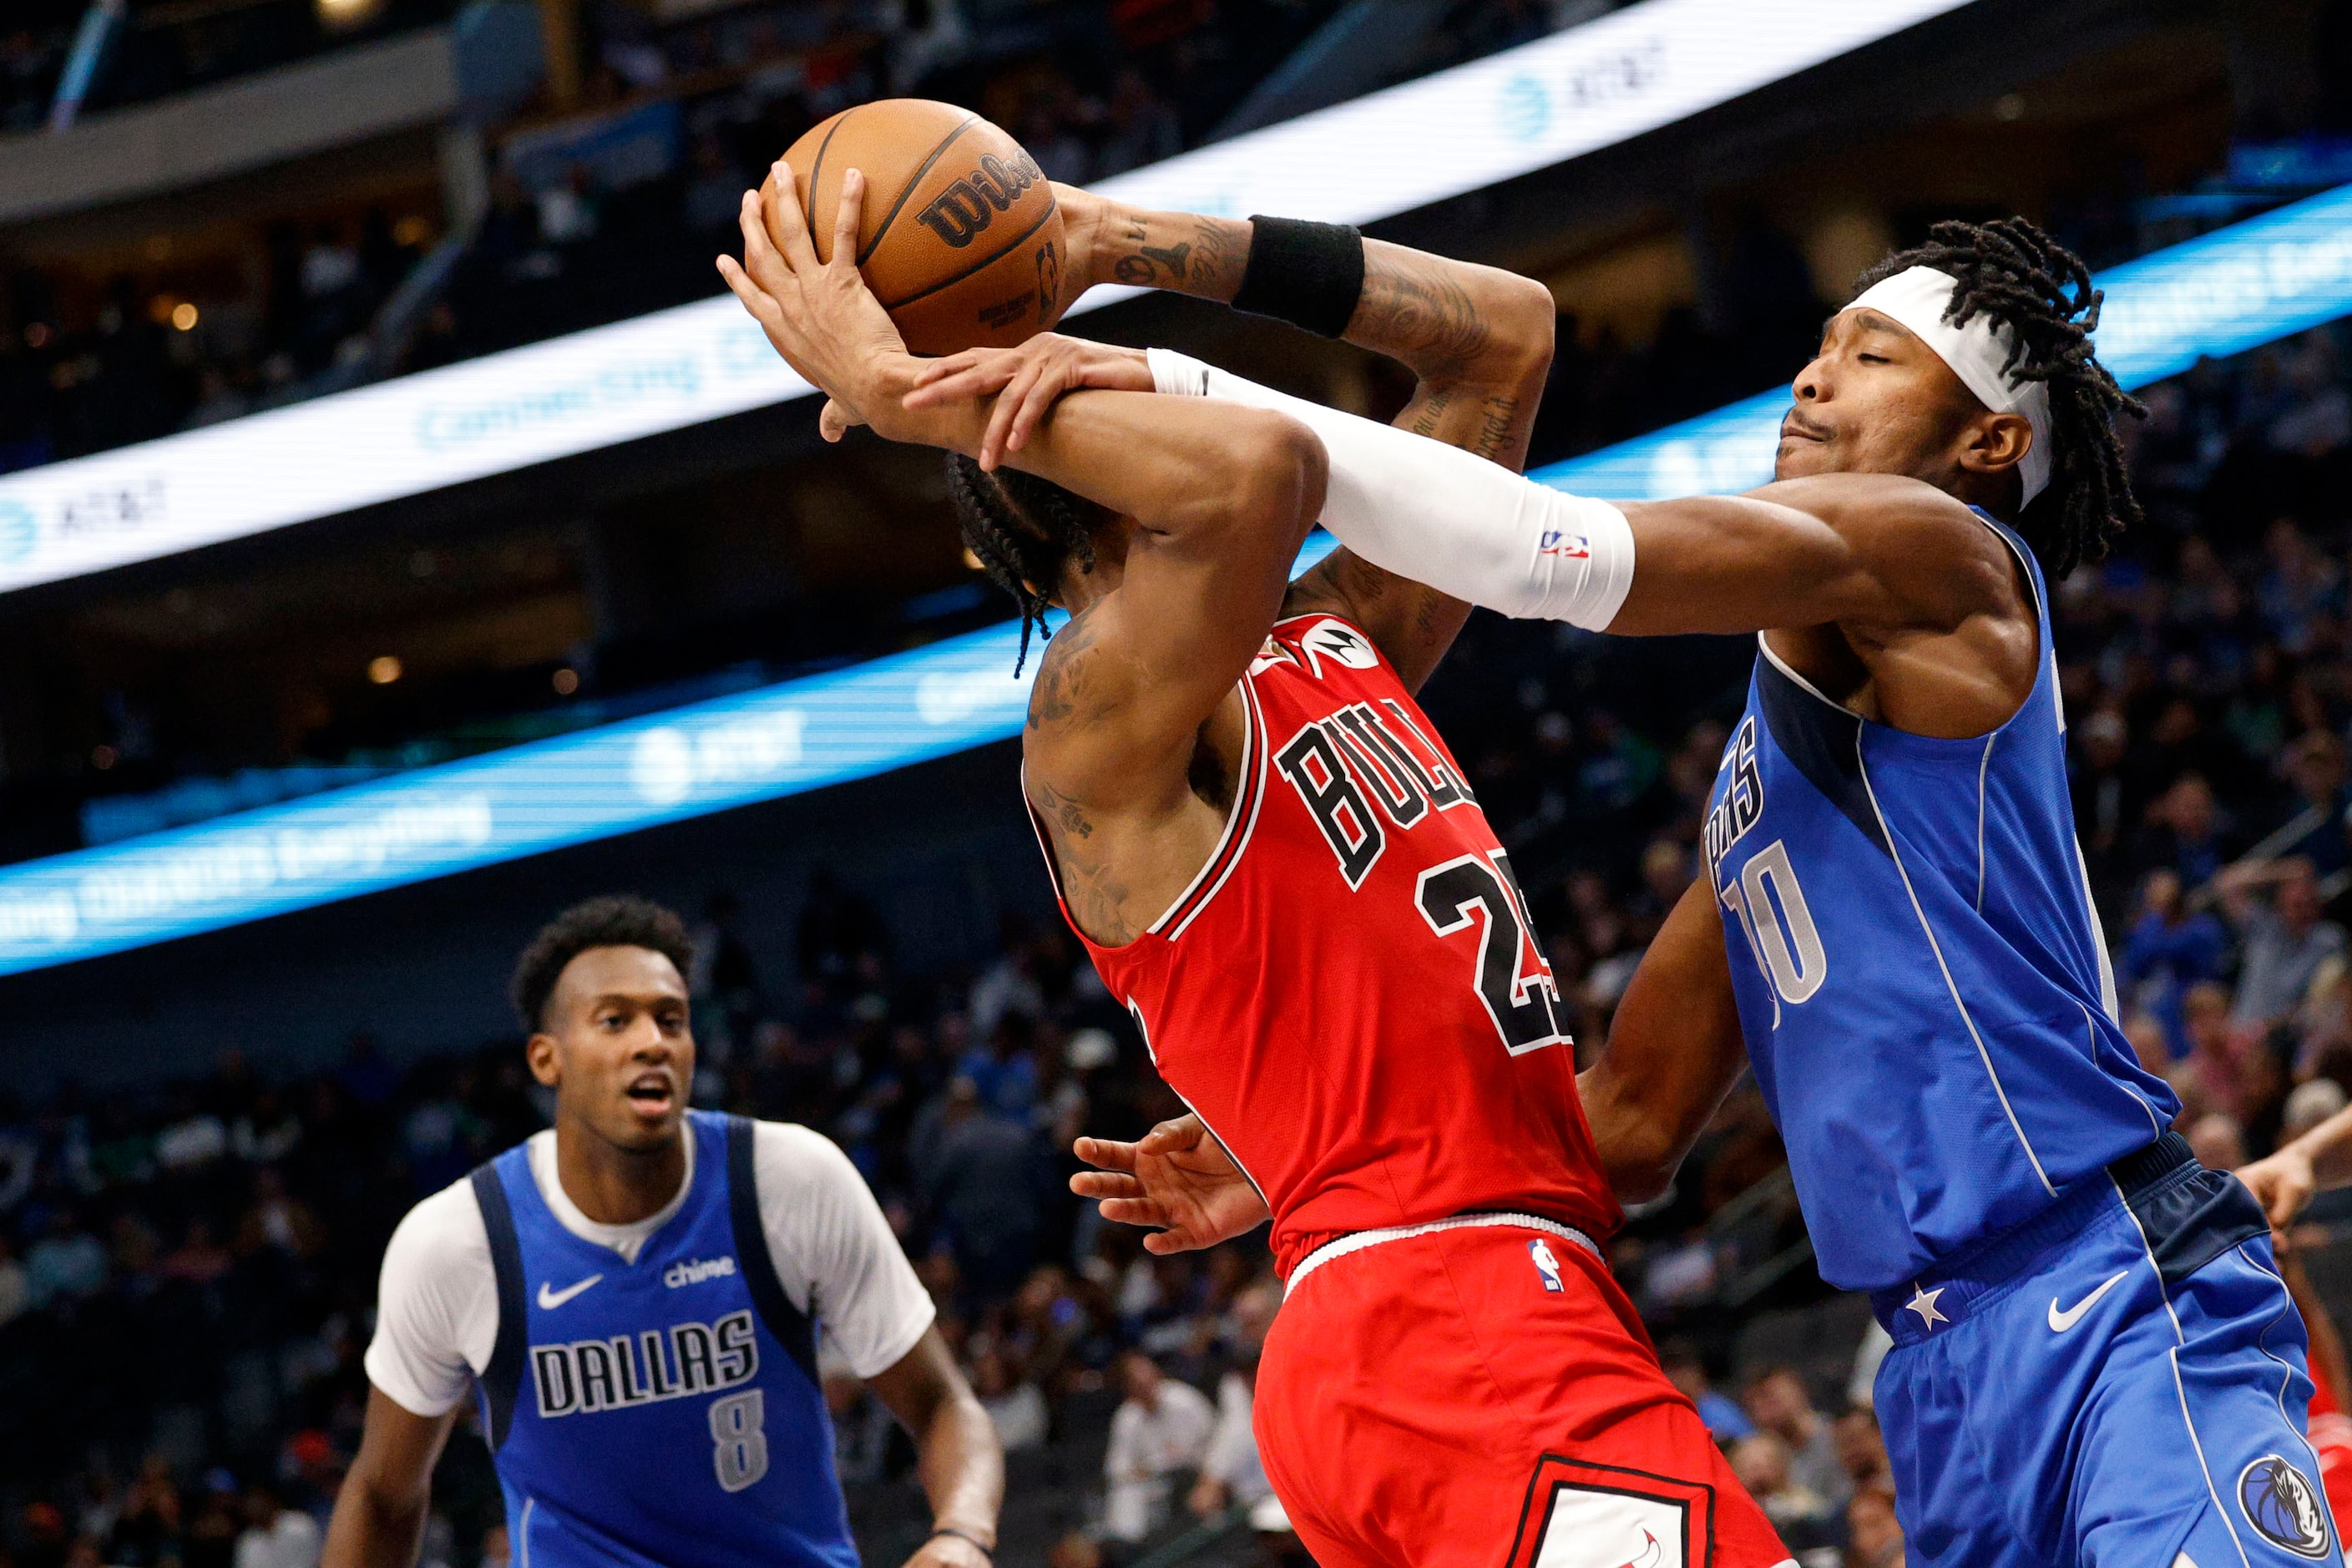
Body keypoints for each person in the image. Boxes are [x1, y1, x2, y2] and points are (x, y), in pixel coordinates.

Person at [986, 217, 2337, 1565]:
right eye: (1817, 348)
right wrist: (1324, 1152)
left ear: (1987, 441)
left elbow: (1544, 546)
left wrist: (1162, 367)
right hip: (1937, 1371)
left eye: (1871, 355)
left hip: (2104, 1277)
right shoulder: (1767, 775)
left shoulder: (1945, 554)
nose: (1814, 377)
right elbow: (1627, 1127)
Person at [715, 168, 1793, 1566]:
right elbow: (1257, 473)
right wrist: (899, 376)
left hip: (1463, 1291)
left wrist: (1109, 238)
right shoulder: (1097, 723)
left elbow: (1508, 333)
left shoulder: (1334, 632)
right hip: (1445, 1322)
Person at [322, 895, 1001, 1568]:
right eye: (614, 1021)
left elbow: (943, 1403)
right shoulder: (457, 1242)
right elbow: (383, 1495)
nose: (651, 1041)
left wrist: (960, 1536)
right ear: (545, 1059)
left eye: (670, 1020)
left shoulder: (789, 1179)